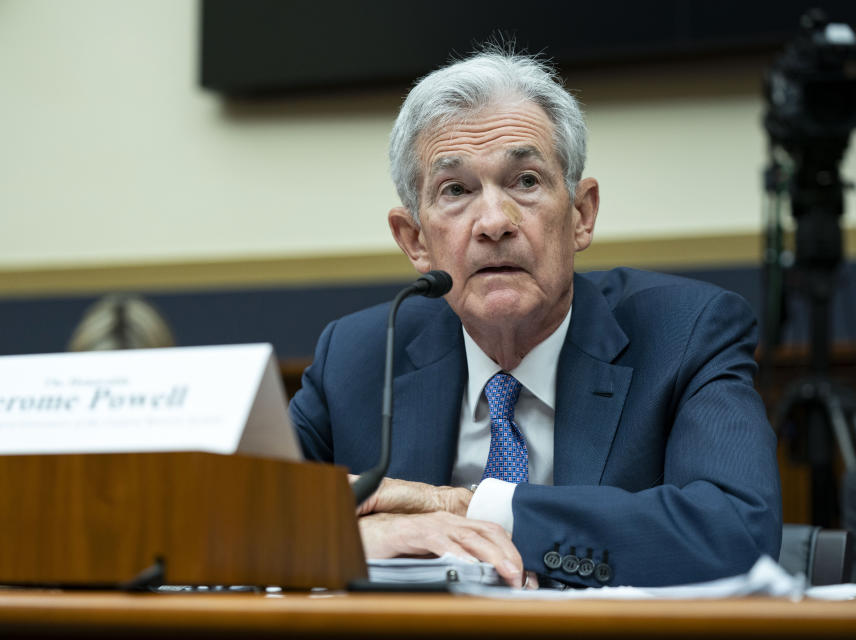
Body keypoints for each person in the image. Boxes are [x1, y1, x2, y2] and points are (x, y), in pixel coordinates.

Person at [289, 47, 781, 589]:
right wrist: (350, 534)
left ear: (581, 215)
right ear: (414, 241)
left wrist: (475, 507)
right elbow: (215, 514)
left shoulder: (685, 333)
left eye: (525, 181)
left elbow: (738, 537)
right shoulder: (358, 357)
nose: (494, 222)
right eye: (455, 191)